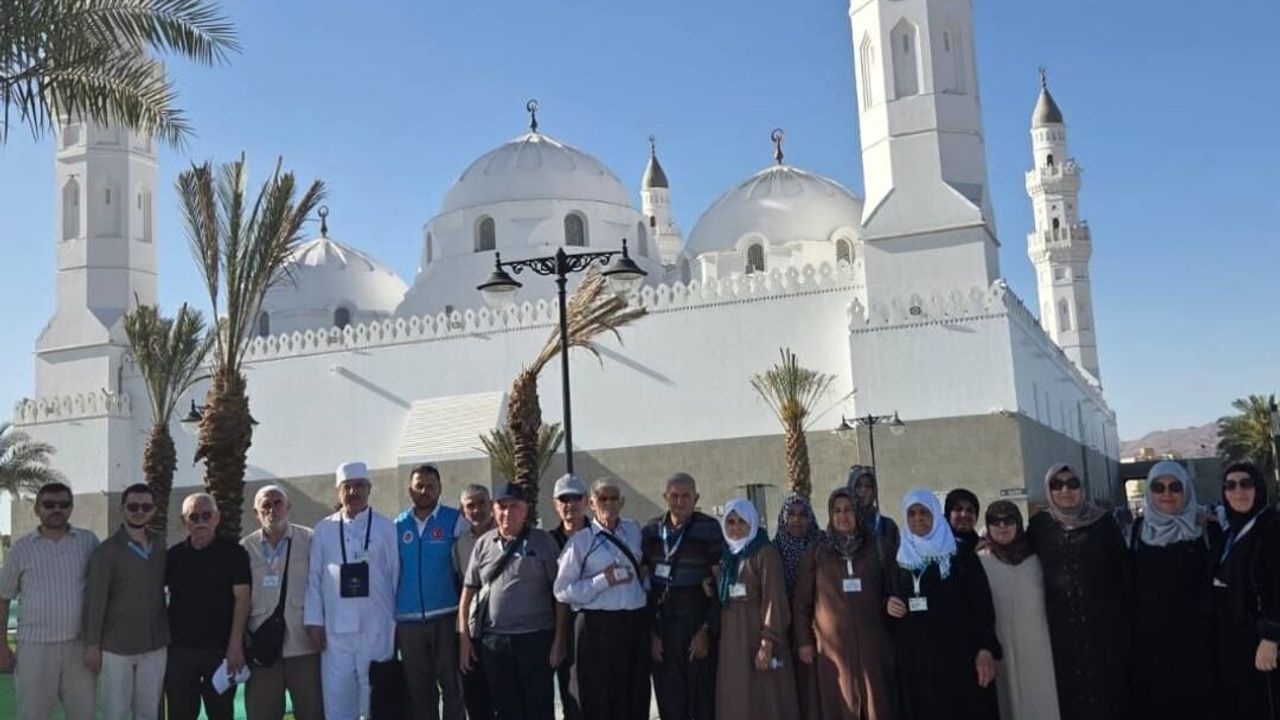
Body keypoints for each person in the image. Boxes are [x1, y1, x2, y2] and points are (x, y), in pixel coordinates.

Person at [1027, 463, 1132, 720]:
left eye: (1072, 484)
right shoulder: (1040, 526)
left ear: (1082, 488)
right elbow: (1019, 557)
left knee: (1108, 695)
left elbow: (1124, 571)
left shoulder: (1103, 523)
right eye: (1057, 485)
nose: (1065, 490)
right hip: (1060, 631)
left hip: (1104, 629)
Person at [886, 489, 999, 720]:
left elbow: (982, 604)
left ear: (936, 515)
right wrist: (887, 606)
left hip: (959, 658)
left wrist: (985, 648)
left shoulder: (959, 554)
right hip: (916, 662)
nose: (918, 518)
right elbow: (887, 597)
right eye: (912, 513)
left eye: (924, 512)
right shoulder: (898, 558)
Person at [458, 481, 569, 720]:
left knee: (539, 708)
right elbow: (467, 594)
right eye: (502, 506)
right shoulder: (483, 544)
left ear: (525, 509)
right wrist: (464, 640)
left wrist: (559, 641)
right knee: (506, 709)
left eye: (514, 506)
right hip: (495, 643)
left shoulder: (543, 542)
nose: (507, 512)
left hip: (536, 639)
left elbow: (560, 596)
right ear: (494, 509)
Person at [304, 461, 400, 720]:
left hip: (378, 627)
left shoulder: (386, 527)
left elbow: (396, 575)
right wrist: (314, 622)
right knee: (337, 700)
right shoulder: (324, 529)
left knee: (377, 700)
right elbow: (314, 578)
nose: (354, 492)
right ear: (339, 491)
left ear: (369, 489)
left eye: (359, 486)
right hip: (336, 632)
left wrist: (397, 623)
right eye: (347, 487)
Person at [793, 487, 896, 720]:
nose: (843, 516)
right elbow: (802, 603)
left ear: (858, 512)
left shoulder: (879, 548)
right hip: (833, 649)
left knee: (876, 704)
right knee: (839, 703)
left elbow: (893, 590)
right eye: (837, 511)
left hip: (872, 647)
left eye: (848, 509)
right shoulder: (817, 552)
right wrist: (803, 642)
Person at [0, 482, 99, 720]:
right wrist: (1, 646)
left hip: (79, 648)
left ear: (71, 508)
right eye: (49, 504)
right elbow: (3, 598)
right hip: (34, 649)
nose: (57, 509)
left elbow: (103, 590)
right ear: (37, 509)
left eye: (63, 504)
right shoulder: (21, 549)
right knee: (33, 715)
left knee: (83, 715)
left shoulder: (88, 542)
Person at [553, 478, 650, 720]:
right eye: (603, 498)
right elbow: (562, 590)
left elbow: (644, 566)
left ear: (622, 502)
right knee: (596, 698)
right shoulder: (580, 542)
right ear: (592, 504)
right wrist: (603, 580)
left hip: (633, 624)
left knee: (632, 694)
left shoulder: (634, 531)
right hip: (595, 628)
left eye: (614, 498)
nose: (609, 503)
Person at [1128, 461, 1211, 720]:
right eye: (1158, 487)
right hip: (1151, 647)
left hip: (1199, 646)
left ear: (1186, 490)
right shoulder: (1139, 530)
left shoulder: (1206, 528)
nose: (1167, 494)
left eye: (1175, 487)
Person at [641, 472, 724, 720]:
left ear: (696, 498)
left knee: (702, 703)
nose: (680, 501)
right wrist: (652, 634)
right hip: (663, 627)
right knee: (670, 702)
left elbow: (720, 584)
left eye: (686, 496)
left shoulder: (709, 528)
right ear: (665, 497)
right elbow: (644, 586)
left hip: (696, 622)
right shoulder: (651, 531)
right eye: (674, 496)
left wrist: (707, 630)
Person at [84, 483, 170, 720]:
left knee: (148, 712)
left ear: (153, 510)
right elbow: (96, 599)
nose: (139, 511)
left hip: (155, 644)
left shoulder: (160, 544)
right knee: (116, 712)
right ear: (123, 509)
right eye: (133, 506)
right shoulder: (107, 551)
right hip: (117, 647)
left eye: (146, 507)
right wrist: (92, 644)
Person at [164, 492, 252, 720]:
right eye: (194, 517)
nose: (200, 521)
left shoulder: (234, 554)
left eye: (206, 515)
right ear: (184, 521)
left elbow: (243, 600)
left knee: (221, 714)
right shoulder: (173, 556)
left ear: (217, 518)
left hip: (220, 651)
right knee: (179, 715)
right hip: (180, 653)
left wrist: (235, 645)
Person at [240, 485, 324, 720]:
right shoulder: (245, 548)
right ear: (255, 513)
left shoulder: (310, 540)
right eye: (265, 505)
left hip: (305, 647)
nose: (272, 509)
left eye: (277, 503)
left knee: (312, 713)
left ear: (288, 507)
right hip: (263, 653)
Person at [714, 498, 800, 720]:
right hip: (732, 642)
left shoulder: (764, 552)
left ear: (752, 523)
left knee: (765, 697)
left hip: (758, 637)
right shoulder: (725, 556)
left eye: (742, 522)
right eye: (730, 522)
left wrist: (767, 642)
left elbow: (774, 598)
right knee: (736, 696)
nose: (735, 528)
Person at [394, 463, 467, 720]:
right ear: (410, 490)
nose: (424, 491)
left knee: (452, 685)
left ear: (440, 488)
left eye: (430, 486)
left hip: (446, 616)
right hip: (408, 621)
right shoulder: (397, 525)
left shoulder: (455, 521)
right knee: (419, 690)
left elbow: (465, 568)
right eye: (419, 486)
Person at [977, 500, 1060, 720]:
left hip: (1040, 649)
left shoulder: (1038, 560)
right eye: (995, 521)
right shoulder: (980, 563)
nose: (1002, 526)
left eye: (1008, 520)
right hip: (1001, 649)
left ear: (1019, 523)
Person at [1210, 462, 1280, 719]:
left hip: (1260, 638)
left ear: (1258, 488)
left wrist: (1271, 637)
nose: (1238, 491)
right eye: (1230, 485)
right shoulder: (1230, 531)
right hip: (1233, 638)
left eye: (1245, 484)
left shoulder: (1271, 527)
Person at [547, 473, 589, 720]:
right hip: (556, 629)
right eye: (564, 499)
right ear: (555, 504)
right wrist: (559, 639)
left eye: (575, 498)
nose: (570, 504)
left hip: (594, 629)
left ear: (586, 501)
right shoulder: (547, 542)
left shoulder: (601, 536)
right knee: (569, 696)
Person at [454, 484, 496, 720]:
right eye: (471, 506)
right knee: (476, 701)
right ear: (463, 512)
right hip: (473, 631)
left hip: (503, 629)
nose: (477, 510)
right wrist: (463, 638)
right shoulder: (459, 545)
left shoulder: (507, 535)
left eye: (481, 503)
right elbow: (460, 588)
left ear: (491, 505)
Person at [774, 494, 821, 599]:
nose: (796, 519)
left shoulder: (821, 545)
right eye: (791, 514)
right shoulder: (774, 549)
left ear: (810, 518)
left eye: (802, 514)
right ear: (784, 518)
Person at [847, 466, 900, 555]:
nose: (863, 491)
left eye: (868, 486)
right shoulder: (842, 524)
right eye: (858, 486)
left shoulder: (888, 526)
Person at [944, 488, 981, 553]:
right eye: (958, 509)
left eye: (970, 510)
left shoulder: (981, 546)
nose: (964, 515)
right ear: (948, 514)